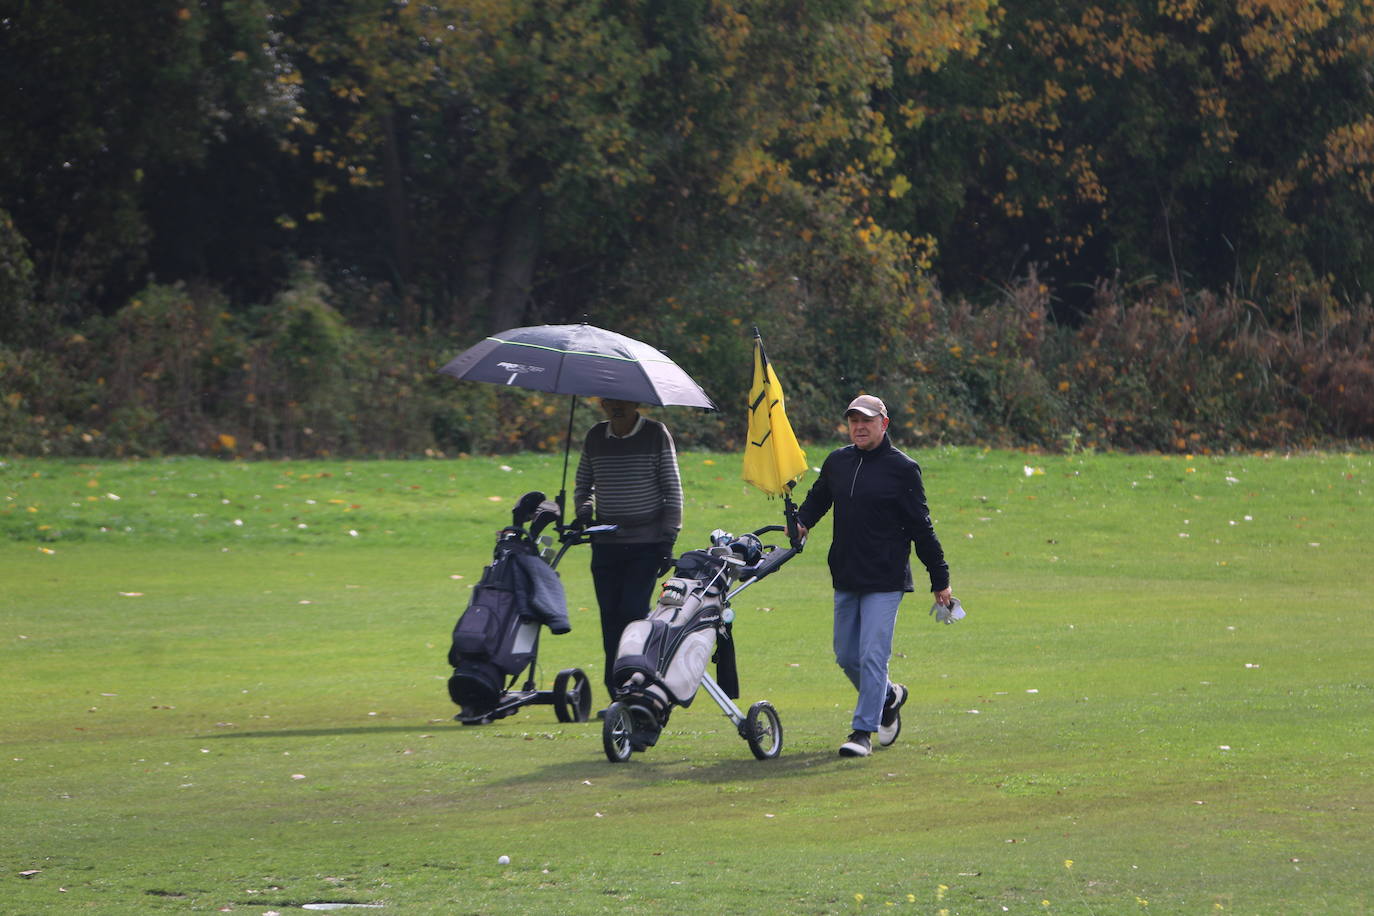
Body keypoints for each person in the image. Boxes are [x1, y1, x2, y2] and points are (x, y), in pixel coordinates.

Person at [795, 394, 952, 758]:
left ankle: (862, 731)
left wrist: (939, 578)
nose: (859, 427)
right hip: (846, 573)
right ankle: (889, 695)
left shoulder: (903, 469)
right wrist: (801, 522)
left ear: (884, 423)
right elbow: (819, 499)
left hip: (885, 578)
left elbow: (921, 527)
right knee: (846, 655)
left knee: (871, 656)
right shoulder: (838, 461)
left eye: (866, 420)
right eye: (853, 421)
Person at [573, 398, 683, 707]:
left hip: (646, 544)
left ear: (635, 402)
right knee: (610, 620)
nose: (615, 407)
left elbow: (671, 488)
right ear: (602, 405)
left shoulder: (655, 434)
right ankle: (617, 691)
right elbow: (584, 483)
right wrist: (584, 508)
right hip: (605, 545)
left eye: (622, 401)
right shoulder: (595, 436)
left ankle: (638, 683)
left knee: (633, 614)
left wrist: (667, 538)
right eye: (609, 402)